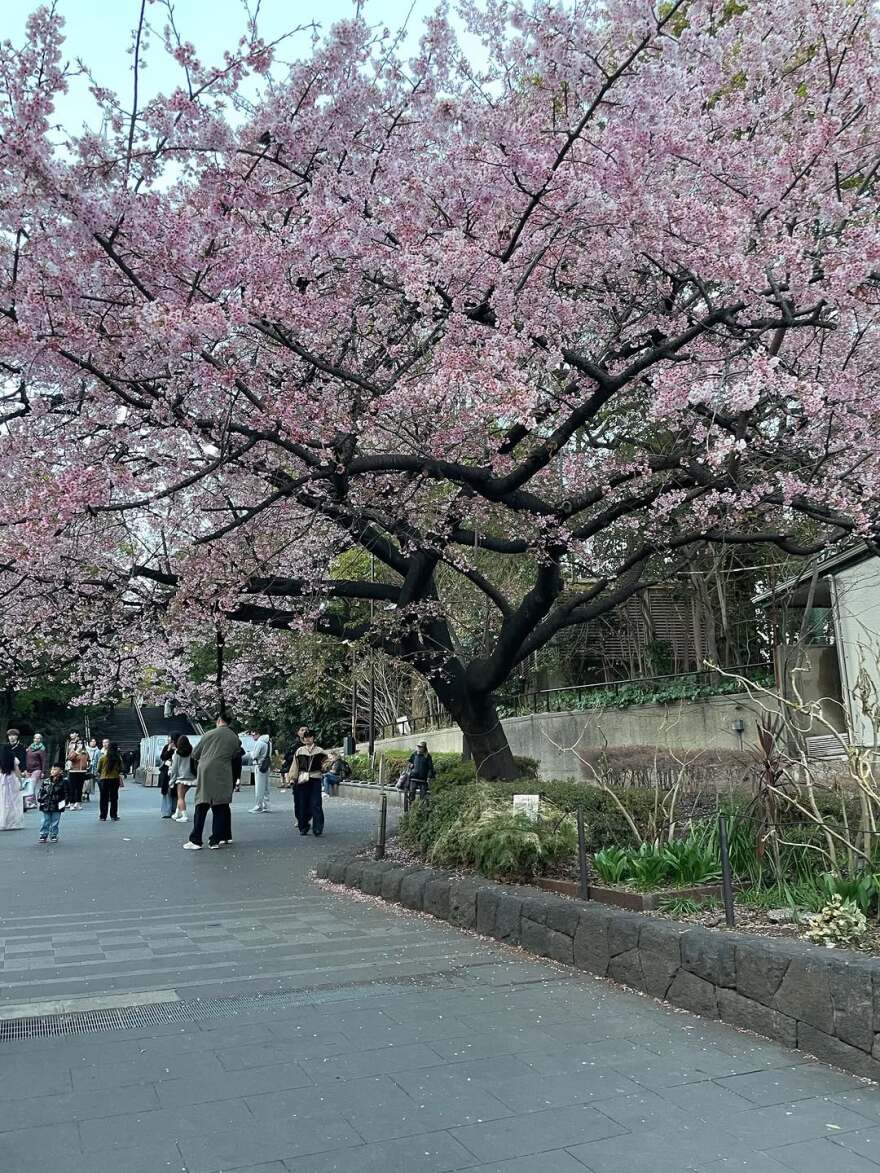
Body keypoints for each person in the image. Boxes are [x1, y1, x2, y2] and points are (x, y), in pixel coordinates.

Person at [185, 715, 241, 851]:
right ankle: (215, 840)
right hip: (224, 773)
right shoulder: (235, 738)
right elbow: (236, 755)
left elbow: (195, 754)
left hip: (206, 772)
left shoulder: (208, 734)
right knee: (220, 807)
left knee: (201, 806)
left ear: (219, 721)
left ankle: (196, 840)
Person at [291, 729, 327, 837]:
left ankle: (317, 828)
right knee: (302, 803)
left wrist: (324, 767)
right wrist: (293, 778)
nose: (307, 738)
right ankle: (303, 826)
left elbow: (326, 763)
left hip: (315, 778)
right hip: (302, 779)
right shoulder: (299, 751)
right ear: (303, 738)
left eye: (310, 736)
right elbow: (295, 765)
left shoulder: (320, 751)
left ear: (313, 738)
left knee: (316, 803)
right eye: (305, 737)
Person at [170, 733, 197, 821]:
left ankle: (184, 816)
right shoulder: (192, 751)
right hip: (192, 777)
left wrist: (172, 780)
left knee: (180, 797)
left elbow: (174, 768)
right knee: (182, 796)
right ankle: (177, 813)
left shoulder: (177, 753)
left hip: (181, 778)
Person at [37, 765, 66, 842]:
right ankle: (43, 835)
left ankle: (53, 835)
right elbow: (41, 791)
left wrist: (64, 802)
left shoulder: (63, 782)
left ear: (60, 771)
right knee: (45, 820)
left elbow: (66, 793)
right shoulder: (46, 781)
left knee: (55, 821)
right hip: (46, 803)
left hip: (58, 804)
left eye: (55, 769)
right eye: (52, 769)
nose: (53, 771)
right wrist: (40, 799)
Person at [97, 741, 124, 821]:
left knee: (103, 798)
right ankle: (113, 815)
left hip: (104, 779)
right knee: (114, 798)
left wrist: (102, 773)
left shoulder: (103, 758)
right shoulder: (118, 758)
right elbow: (121, 768)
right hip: (114, 779)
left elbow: (99, 769)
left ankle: (102, 816)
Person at [0, 739, 23, 831]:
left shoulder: (1, 759)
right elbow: (17, 771)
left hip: (2, 779)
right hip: (12, 778)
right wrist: (20, 780)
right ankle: (14, 823)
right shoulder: (13, 758)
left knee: (3, 801)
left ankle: (3, 822)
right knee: (15, 801)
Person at [23, 731, 47, 811]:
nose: (37, 739)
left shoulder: (42, 749)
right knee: (27, 785)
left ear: (41, 740)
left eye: (39, 738)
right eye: (36, 738)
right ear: (33, 739)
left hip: (37, 769)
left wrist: (43, 772)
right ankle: (33, 802)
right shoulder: (30, 747)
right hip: (28, 769)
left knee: (32, 784)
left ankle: (29, 802)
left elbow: (44, 761)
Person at [250, 728, 272, 813]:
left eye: (253, 734)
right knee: (266, 787)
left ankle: (258, 806)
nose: (252, 736)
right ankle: (266, 805)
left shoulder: (259, 743)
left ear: (258, 734)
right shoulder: (268, 742)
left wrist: (251, 753)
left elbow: (254, 755)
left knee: (259, 787)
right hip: (266, 765)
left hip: (259, 766)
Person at [66, 738, 90, 811]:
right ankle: (72, 803)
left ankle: (78, 803)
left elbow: (88, 759)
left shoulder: (85, 752)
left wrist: (87, 765)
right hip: (73, 772)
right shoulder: (73, 751)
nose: (80, 744)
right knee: (72, 788)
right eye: (78, 743)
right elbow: (70, 758)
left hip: (82, 772)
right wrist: (76, 751)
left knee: (80, 788)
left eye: (81, 743)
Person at [158, 735, 176, 818]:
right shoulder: (167, 747)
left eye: (170, 738)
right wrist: (168, 749)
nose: (168, 739)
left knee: (175, 792)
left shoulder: (180, 747)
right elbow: (163, 757)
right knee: (168, 791)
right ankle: (167, 811)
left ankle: (173, 810)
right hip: (167, 772)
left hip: (176, 772)